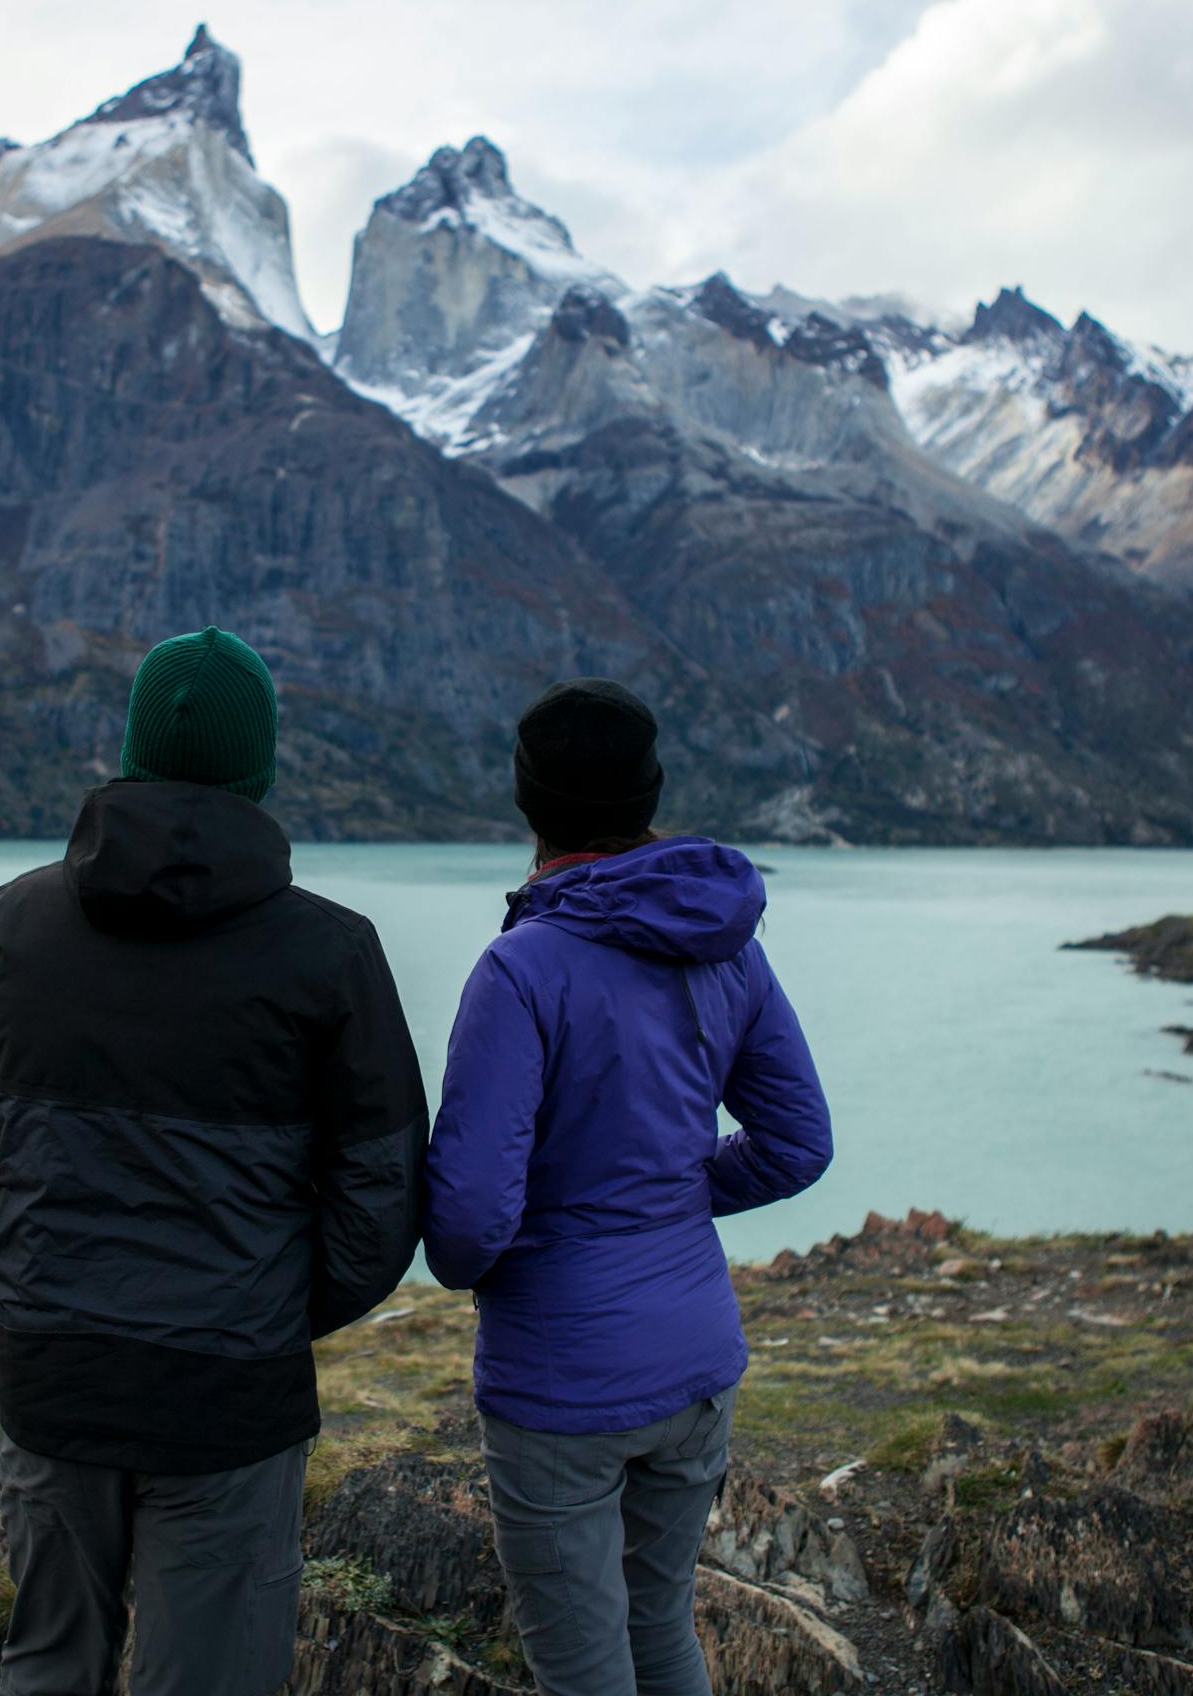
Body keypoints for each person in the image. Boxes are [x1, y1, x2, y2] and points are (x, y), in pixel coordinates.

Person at [0, 625, 428, 1696]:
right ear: (261, 768)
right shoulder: (332, 952)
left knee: (48, 1667)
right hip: (231, 1395)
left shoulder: (4, 927)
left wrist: (45, 1254)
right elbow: (382, 1196)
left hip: (54, 1369)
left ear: (135, 747)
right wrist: (268, 1306)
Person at [424, 676, 833, 1696]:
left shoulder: (521, 970)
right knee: (661, 1630)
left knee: (582, 1669)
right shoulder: (724, 943)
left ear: (528, 803)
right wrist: (671, 1196)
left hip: (561, 1382)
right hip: (699, 1362)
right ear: (648, 791)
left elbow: (470, 1226)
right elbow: (796, 1145)